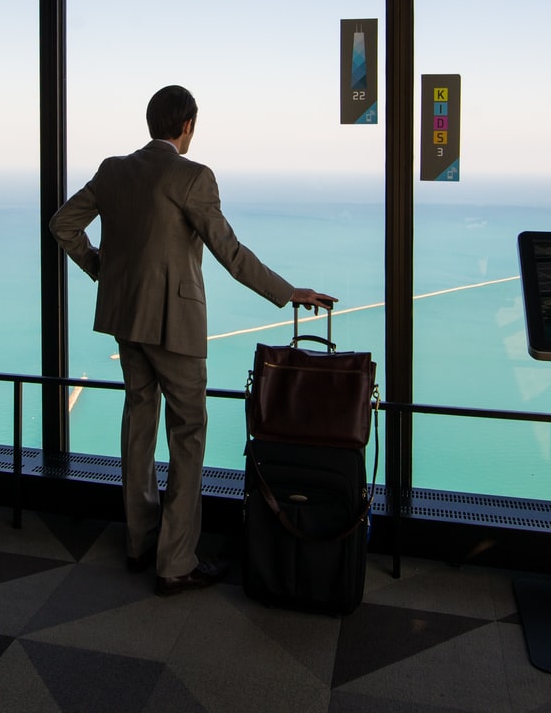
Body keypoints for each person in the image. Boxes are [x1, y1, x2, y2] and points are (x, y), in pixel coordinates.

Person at [49, 85, 337, 596]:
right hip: (174, 329)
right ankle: (176, 561)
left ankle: (140, 542)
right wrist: (288, 292)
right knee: (188, 434)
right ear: (187, 127)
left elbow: (62, 225)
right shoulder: (192, 176)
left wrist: (102, 269)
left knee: (139, 424)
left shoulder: (114, 169)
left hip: (125, 320)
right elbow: (230, 252)